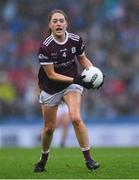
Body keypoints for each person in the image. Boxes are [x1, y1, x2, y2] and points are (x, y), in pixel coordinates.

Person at [34, 9, 103, 172]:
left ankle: (89, 159)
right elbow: (51, 75)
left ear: (66, 23)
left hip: (72, 85)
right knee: (49, 128)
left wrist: (94, 73)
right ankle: (43, 159)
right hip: (50, 87)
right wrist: (76, 79)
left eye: (61, 21)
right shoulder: (45, 47)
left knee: (76, 118)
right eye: (55, 21)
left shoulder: (76, 40)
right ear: (50, 25)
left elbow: (83, 59)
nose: (58, 23)